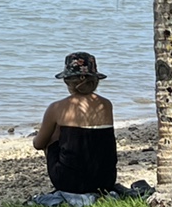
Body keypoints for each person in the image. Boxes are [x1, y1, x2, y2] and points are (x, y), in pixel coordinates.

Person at [32, 52, 117, 194]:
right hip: (105, 181)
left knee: (52, 135)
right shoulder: (106, 105)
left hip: (69, 183)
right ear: (95, 80)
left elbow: (38, 144)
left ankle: (65, 176)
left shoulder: (57, 107)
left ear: (67, 81)